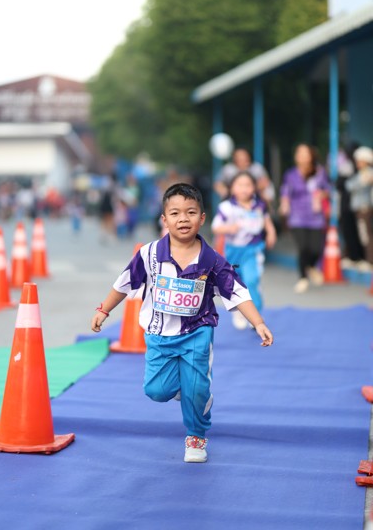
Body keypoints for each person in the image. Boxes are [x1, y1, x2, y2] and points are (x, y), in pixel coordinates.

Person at [91, 183, 273, 464]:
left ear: (202, 218)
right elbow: (123, 284)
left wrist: (258, 322)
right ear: (164, 219)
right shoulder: (149, 254)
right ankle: (187, 392)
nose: (183, 219)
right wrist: (104, 310)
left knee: (197, 387)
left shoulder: (212, 260)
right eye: (175, 213)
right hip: (159, 335)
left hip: (197, 332)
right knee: (156, 390)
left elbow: (237, 292)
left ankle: (196, 435)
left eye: (191, 212)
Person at [211, 171, 277, 329]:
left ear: (254, 187)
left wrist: (271, 232)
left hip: (253, 250)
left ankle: (256, 316)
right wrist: (229, 228)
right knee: (235, 283)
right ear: (232, 188)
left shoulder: (259, 205)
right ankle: (239, 311)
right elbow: (216, 227)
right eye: (240, 185)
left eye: (248, 185)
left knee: (252, 280)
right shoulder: (226, 207)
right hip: (233, 252)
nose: (244, 189)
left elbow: (266, 221)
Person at [279, 144, 331, 293]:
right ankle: (303, 278)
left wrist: (322, 194)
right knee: (303, 247)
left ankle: (312, 266)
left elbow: (328, 189)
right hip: (297, 217)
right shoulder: (291, 174)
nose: (301, 156)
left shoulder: (319, 172)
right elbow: (285, 192)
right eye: (299, 153)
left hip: (315, 216)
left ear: (311, 156)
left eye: (305, 153)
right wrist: (284, 204)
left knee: (316, 249)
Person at [345, 146, 373, 270]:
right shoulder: (362, 173)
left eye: (360, 160)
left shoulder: (368, 173)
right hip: (360, 209)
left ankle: (370, 261)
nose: (357, 163)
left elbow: (351, 186)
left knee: (365, 236)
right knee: (363, 235)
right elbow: (349, 184)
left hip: (364, 209)